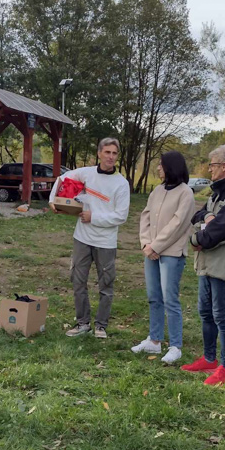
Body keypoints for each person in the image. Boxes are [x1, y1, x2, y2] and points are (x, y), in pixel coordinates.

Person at [180, 145, 225, 386]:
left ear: (224, 166)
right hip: (207, 264)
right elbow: (197, 215)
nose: (209, 169)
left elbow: (222, 231)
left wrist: (197, 238)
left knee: (221, 315)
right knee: (205, 312)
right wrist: (208, 218)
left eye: (212, 164)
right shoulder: (216, 193)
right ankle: (210, 359)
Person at [48, 138, 130, 339]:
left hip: (106, 242)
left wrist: (94, 217)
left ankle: (101, 326)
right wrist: (53, 201)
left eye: (114, 153)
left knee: (106, 285)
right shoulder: (86, 173)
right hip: (82, 239)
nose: (111, 157)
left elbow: (121, 216)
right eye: (107, 152)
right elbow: (62, 179)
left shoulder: (121, 184)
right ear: (100, 153)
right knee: (78, 281)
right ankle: (82, 323)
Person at [132, 151, 196, 363]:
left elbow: (178, 224)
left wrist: (156, 245)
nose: (158, 169)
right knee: (154, 296)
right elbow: (146, 217)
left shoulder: (185, 193)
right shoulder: (157, 191)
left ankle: (176, 345)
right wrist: (145, 243)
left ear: (171, 167)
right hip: (151, 251)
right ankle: (155, 340)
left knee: (170, 299)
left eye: (161, 165)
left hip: (171, 253)